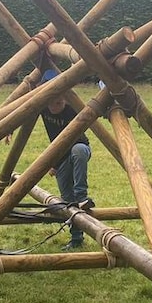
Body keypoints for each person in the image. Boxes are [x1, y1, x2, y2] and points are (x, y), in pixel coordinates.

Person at [40, 92, 93, 250]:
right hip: (59, 157)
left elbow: (95, 112)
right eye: (53, 103)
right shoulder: (42, 106)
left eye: (60, 102)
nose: (56, 106)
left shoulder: (73, 108)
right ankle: (76, 238)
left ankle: (82, 196)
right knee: (67, 199)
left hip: (78, 148)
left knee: (79, 150)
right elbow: (23, 112)